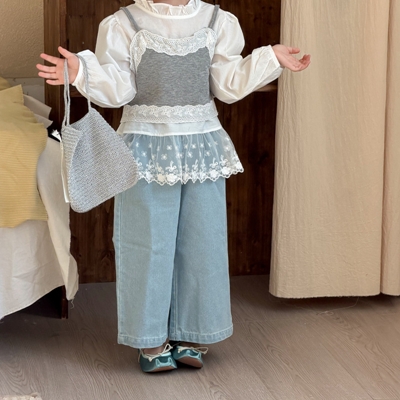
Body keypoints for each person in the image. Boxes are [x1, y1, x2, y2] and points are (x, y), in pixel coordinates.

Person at [37, 0, 310, 373]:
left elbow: (228, 84)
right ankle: (150, 338)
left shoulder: (216, 21)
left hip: (202, 147)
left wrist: (269, 58)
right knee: (146, 243)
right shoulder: (123, 24)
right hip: (144, 148)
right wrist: (82, 71)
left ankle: (192, 331)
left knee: (203, 243)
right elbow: (118, 89)